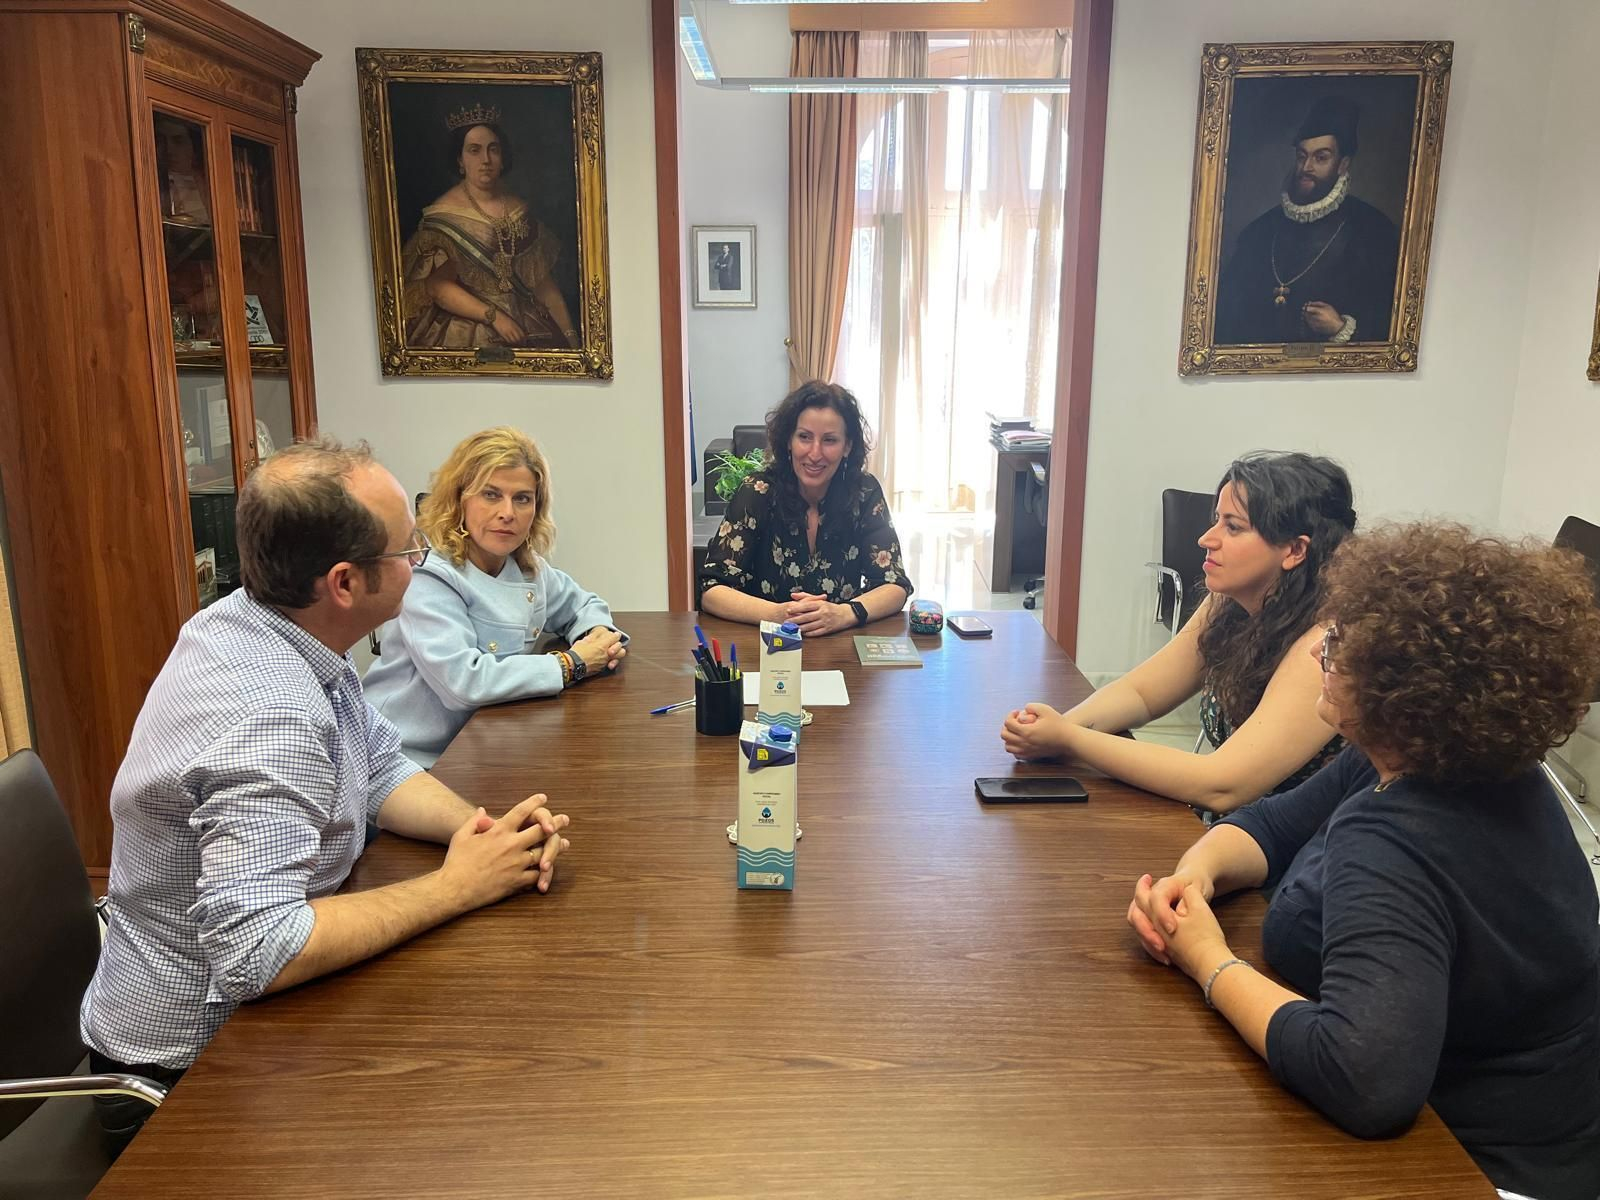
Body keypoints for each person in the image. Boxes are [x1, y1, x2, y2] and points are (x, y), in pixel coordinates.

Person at [79, 438, 572, 1154]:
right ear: (345, 583)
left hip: (254, 1016)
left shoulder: (266, 624)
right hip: (188, 1082)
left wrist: (484, 834)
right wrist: (456, 886)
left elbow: (378, 768)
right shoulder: (269, 717)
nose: (424, 561)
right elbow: (257, 952)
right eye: (410, 551)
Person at [1127, 523, 1600, 1200]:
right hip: (1562, 1134)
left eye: (1341, 642)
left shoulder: (1396, 841)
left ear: (1404, 684)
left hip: (1482, 1169)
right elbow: (1272, 823)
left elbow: (1365, 1079)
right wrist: (1197, 874)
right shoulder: (1445, 759)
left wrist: (1206, 958)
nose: (1321, 647)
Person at [1002, 452, 1355, 812]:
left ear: (1295, 550)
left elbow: (1221, 785)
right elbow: (1142, 693)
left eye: (1233, 527)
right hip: (1244, 834)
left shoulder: (1325, 647)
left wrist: (1068, 739)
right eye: (1217, 520)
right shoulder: (1230, 600)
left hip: (1307, 854)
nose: (1206, 539)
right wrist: (1051, 730)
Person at [363, 427, 626, 768]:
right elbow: (465, 683)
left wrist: (598, 637)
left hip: (487, 744)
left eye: (522, 498)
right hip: (412, 759)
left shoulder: (527, 566)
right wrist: (573, 663)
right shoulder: (429, 572)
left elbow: (583, 605)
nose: (507, 513)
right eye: (490, 494)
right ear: (460, 499)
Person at [698, 380, 912, 636]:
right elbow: (712, 590)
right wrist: (778, 614)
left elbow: (895, 585)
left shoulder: (864, 492)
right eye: (804, 437)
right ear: (788, 440)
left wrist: (844, 613)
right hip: (766, 650)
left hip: (841, 648)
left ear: (848, 446)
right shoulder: (757, 491)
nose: (815, 453)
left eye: (830, 440)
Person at [1213, 96, 1401, 346]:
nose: (1306, 167)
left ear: (1342, 165)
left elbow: (1393, 325)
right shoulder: (1258, 232)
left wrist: (1340, 327)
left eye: (1321, 157)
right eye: (1302, 156)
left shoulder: (1374, 230)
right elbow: (1224, 317)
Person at [401, 104, 578, 350]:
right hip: (467, 328)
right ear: (460, 160)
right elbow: (438, 287)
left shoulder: (518, 210)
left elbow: (543, 285)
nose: (485, 160)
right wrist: (494, 316)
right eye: (474, 150)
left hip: (528, 324)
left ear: (502, 158)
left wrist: (571, 338)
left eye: (493, 150)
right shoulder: (443, 217)